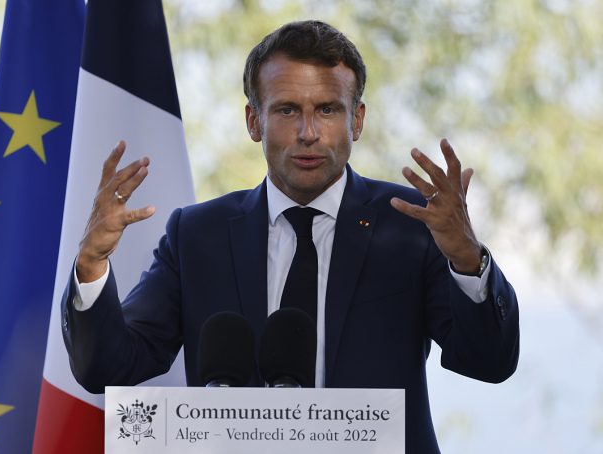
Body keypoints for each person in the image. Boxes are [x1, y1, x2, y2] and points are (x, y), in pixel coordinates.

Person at [62, 20, 519, 453]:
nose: (308, 133)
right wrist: (91, 265)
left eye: (327, 110)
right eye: (287, 110)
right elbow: (109, 367)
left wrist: (468, 261)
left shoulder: (413, 225)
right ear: (253, 121)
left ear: (357, 120)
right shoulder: (197, 235)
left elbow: (490, 361)